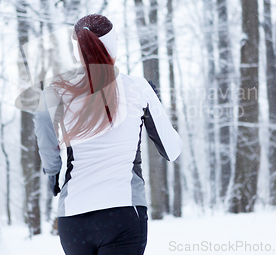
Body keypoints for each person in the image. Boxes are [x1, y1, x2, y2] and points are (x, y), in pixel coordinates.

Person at [33, 14, 183, 255]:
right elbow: (172, 150)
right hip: (122, 215)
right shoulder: (138, 88)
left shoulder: (56, 91)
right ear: (114, 45)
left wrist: (52, 171)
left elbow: (41, 121)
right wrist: (154, 102)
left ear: (77, 50)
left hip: (74, 219)